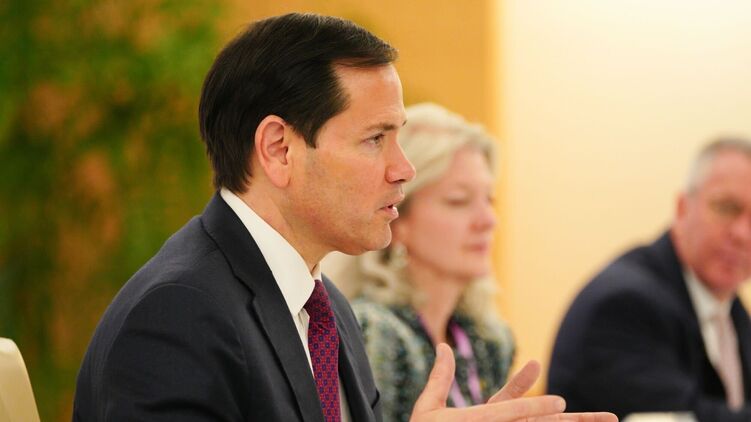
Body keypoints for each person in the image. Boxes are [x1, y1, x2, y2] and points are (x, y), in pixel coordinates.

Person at [73, 12, 616, 422]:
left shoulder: (326, 308)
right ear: (279, 149)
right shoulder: (179, 312)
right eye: (375, 139)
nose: (403, 169)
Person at [326, 103, 514, 421]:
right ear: (397, 217)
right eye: (459, 201)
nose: (488, 220)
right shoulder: (374, 334)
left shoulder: (490, 339)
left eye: (489, 199)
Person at [548, 138, 751, 421]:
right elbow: (684, 417)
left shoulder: (730, 308)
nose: (742, 234)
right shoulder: (624, 305)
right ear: (682, 209)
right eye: (726, 208)